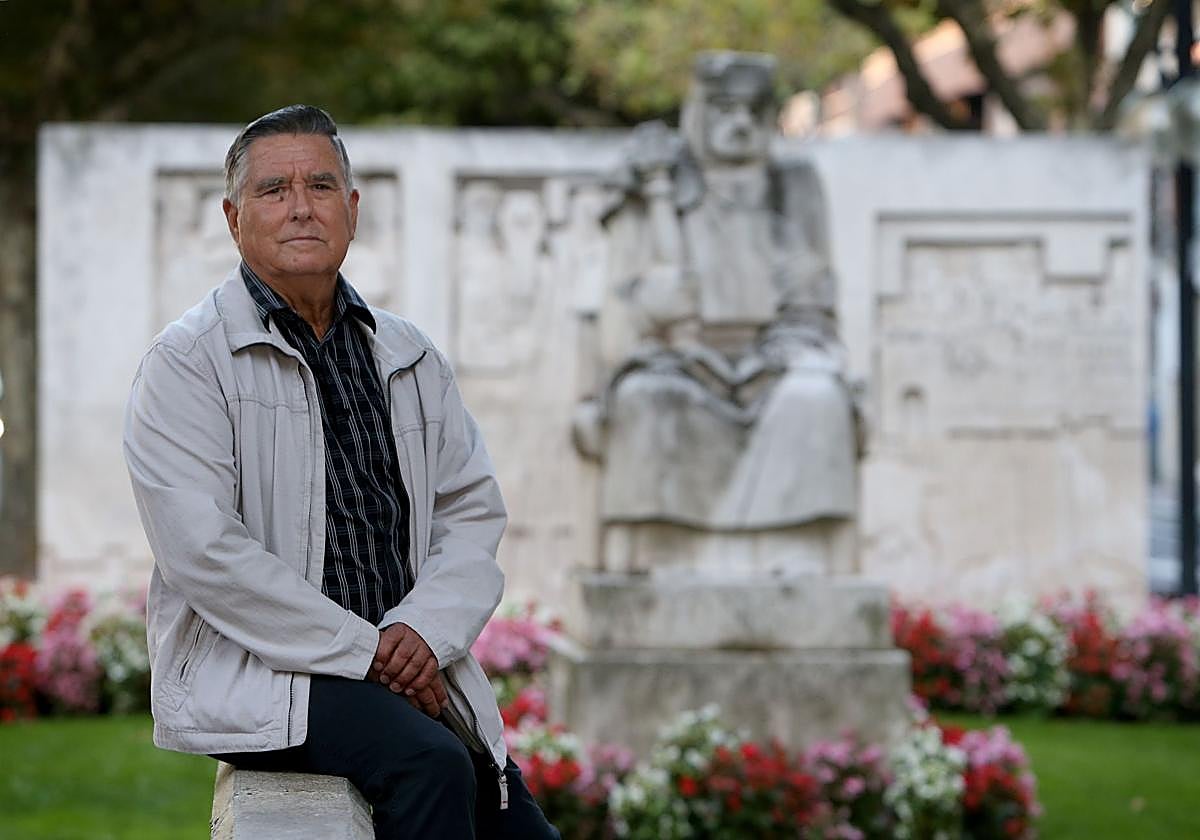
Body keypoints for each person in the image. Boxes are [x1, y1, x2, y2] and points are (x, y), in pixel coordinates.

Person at [123, 105, 559, 840]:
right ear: (235, 220)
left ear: (351, 211)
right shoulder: (187, 362)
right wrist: (368, 652)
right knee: (430, 765)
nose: (300, 207)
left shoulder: (408, 354)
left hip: (406, 660)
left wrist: (422, 631)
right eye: (273, 190)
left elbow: (471, 512)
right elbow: (204, 552)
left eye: (321, 185)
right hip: (269, 669)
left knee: (524, 830)